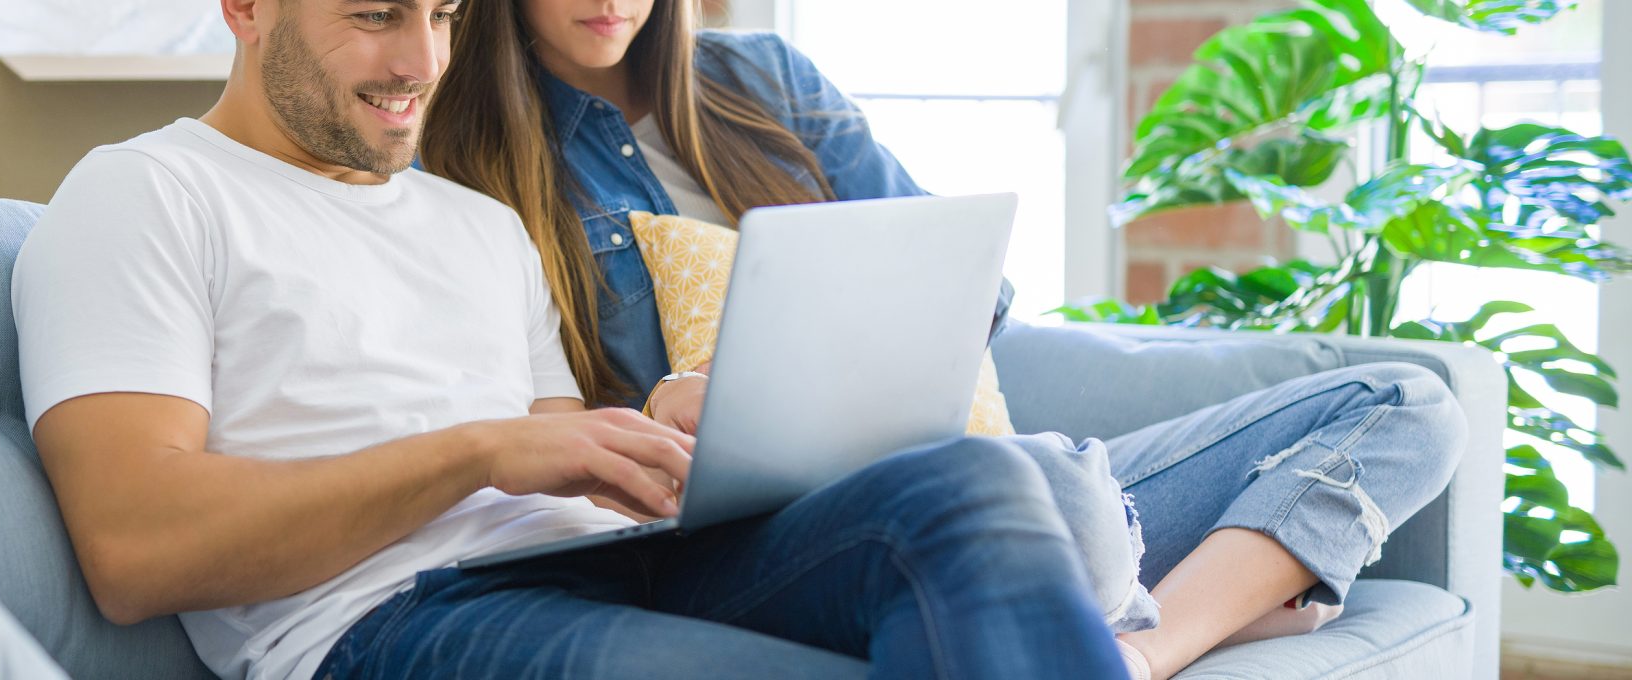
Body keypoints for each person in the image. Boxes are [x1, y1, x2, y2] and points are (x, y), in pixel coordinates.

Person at [11, 0, 1129, 678]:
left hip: (593, 561)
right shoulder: (144, 194)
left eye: (441, 15)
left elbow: (556, 459)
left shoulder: (479, 225)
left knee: (977, 480)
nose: (420, 63)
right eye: (372, 16)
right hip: (385, 622)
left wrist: (662, 433)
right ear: (245, 6)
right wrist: (477, 449)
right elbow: (135, 549)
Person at [419, 1, 1470, 679]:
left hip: (952, 461)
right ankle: (1161, 585)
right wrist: (670, 404)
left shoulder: (767, 83)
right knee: (1048, 495)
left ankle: (1150, 645)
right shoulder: (468, 154)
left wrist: (877, 335)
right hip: (760, 532)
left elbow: (969, 286)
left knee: (1409, 401)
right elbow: (527, 421)